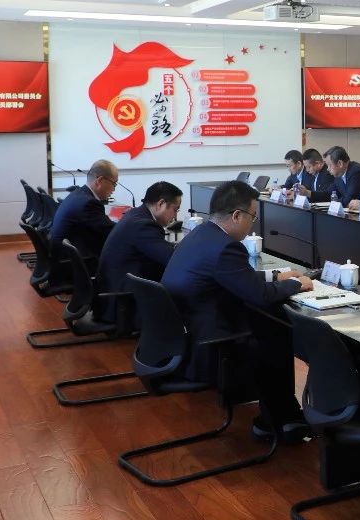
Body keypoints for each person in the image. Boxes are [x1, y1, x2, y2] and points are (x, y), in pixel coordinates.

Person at [161, 181, 315, 442]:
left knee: (268, 327)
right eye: (252, 217)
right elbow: (259, 295)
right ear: (236, 215)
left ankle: (281, 418)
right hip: (208, 346)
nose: (252, 224)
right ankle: (279, 421)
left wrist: (276, 275)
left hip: (186, 335)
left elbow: (234, 277)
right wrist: (297, 284)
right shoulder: (226, 247)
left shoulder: (202, 234)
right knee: (275, 333)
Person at [95, 181, 182, 323]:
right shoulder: (144, 225)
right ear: (160, 204)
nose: (175, 216)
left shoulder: (136, 215)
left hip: (112, 293)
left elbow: (159, 249)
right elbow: (171, 260)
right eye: (175, 209)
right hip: (123, 303)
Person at [49, 159, 118, 262]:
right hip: (71, 263)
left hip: (62, 255)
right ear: (99, 181)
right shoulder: (89, 203)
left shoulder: (78, 194)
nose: (114, 189)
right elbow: (111, 232)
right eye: (114, 184)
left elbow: (103, 226)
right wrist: (128, 224)